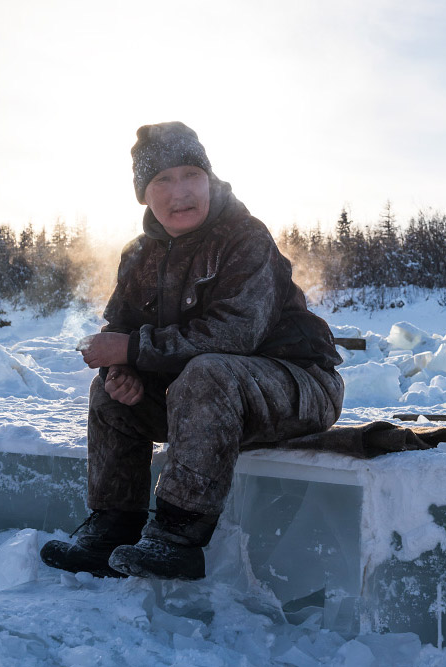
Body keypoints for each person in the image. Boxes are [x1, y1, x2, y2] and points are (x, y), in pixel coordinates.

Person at [41, 121, 344, 579]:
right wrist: (121, 375)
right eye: (162, 179)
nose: (179, 191)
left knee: (208, 372)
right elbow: (120, 330)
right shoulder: (137, 256)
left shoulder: (246, 237)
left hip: (296, 387)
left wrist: (131, 348)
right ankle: (112, 529)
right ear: (144, 194)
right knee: (107, 396)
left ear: (209, 178)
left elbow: (237, 335)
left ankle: (177, 537)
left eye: (190, 174)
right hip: (202, 404)